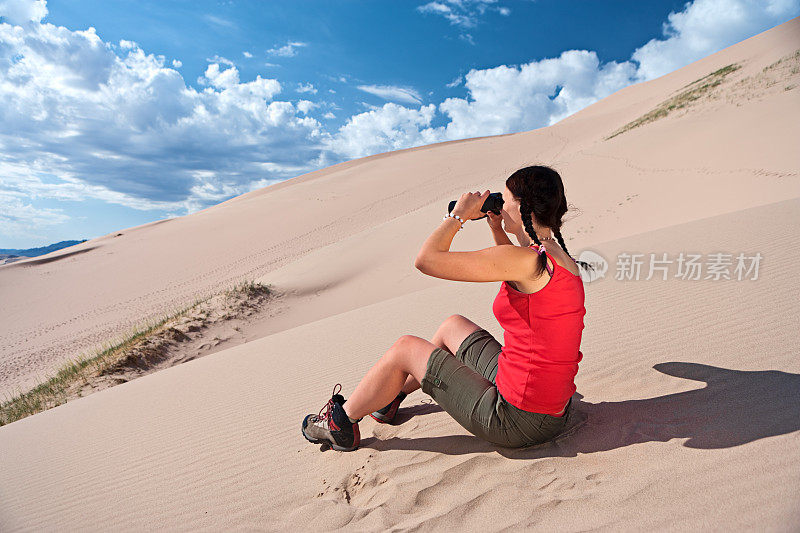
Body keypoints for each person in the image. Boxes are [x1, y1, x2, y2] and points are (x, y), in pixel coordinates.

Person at [302, 165, 589, 452]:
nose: (501, 202)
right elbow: (514, 268)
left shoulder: (526, 261)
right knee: (453, 325)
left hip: (517, 421)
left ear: (522, 206)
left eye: (506, 197)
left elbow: (426, 260)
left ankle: (340, 423)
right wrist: (495, 228)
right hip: (548, 408)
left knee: (405, 348)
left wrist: (458, 216)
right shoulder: (558, 258)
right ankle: (388, 397)